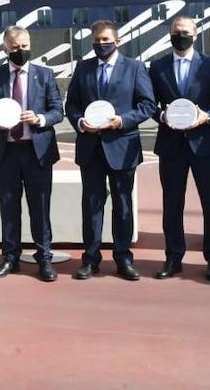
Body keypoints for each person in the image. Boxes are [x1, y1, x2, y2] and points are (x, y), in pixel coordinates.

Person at [65, 20, 156, 281]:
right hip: (90, 148)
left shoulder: (135, 68)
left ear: (117, 41)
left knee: (123, 205)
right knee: (92, 206)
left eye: (106, 40)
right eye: (96, 40)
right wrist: (80, 122)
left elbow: (147, 105)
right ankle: (90, 259)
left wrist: (123, 120)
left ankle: (123, 258)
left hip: (122, 146)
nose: (101, 44)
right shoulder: (83, 68)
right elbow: (71, 104)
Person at [147, 16, 210, 282]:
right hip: (171, 145)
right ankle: (173, 258)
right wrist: (162, 117)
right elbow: (150, 103)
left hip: (205, 143)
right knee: (172, 204)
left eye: (184, 32)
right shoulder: (158, 66)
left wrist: (208, 116)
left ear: (195, 35)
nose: (179, 36)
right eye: (175, 32)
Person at [0, 26, 64, 282]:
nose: (21, 51)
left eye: (25, 46)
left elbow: (57, 111)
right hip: (5, 151)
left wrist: (39, 118)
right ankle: (10, 257)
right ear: (5, 47)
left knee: (40, 207)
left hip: (37, 151)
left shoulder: (45, 74)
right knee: (8, 206)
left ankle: (44, 258)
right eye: (15, 47)